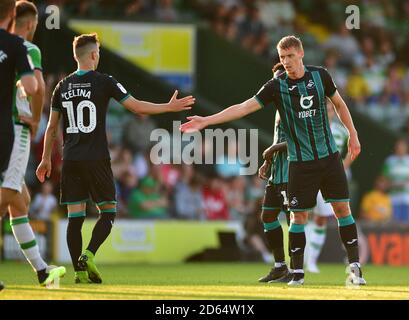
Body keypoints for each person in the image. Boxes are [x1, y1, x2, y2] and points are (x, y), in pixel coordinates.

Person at [180, 35, 365, 286]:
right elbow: (244, 107)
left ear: (300, 54)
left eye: (290, 56)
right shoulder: (276, 86)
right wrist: (207, 121)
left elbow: (340, 105)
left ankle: (354, 267)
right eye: (282, 58)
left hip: (329, 158)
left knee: (342, 210)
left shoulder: (321, 76)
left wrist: (353, 135)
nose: (286, 62)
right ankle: (297, 273)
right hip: (299, 162)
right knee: (298, 217)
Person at [36, 33, 195, 283]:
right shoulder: (104, 81)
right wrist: (168, 107)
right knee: (108, 212)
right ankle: (88, 254)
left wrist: (45, 159)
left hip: (71, 159)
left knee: (74, 218)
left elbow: (51, 127)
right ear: (94, 55)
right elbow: (137, 107)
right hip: (96, 157)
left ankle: (79, 273)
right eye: (98, 51)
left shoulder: (62, 86)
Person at [1, 0, 65, 287]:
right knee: (8, 195)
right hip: (15, 129)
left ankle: (41, 270)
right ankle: (41, 269)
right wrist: (36, 121)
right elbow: (36, 87)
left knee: (20, 201)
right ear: (29, 24)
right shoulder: (26, 48)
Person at [306, 98, 354, 273]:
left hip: (330, 177)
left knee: (320, 218)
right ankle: (298, 258)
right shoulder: (312, 126)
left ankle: (311, 261)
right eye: (325, 109)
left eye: (330, 109)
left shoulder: (341, 131)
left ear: (334, 111)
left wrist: (342, 167)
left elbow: (351, 150)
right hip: (311, 175)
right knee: (301, 215)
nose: (328, 112)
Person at [257, 63, 292, 283]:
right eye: (276, 79)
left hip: (293, 171)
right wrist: (268, 161)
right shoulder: (278, 111)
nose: (278, 83)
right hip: (276, 173)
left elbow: (299, 139)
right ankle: (280, 266)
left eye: (282, 78)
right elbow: (279, 140)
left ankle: (296, 270)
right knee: (268, 216)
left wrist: (271, 150)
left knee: (293, 220)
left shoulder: (294, 107)